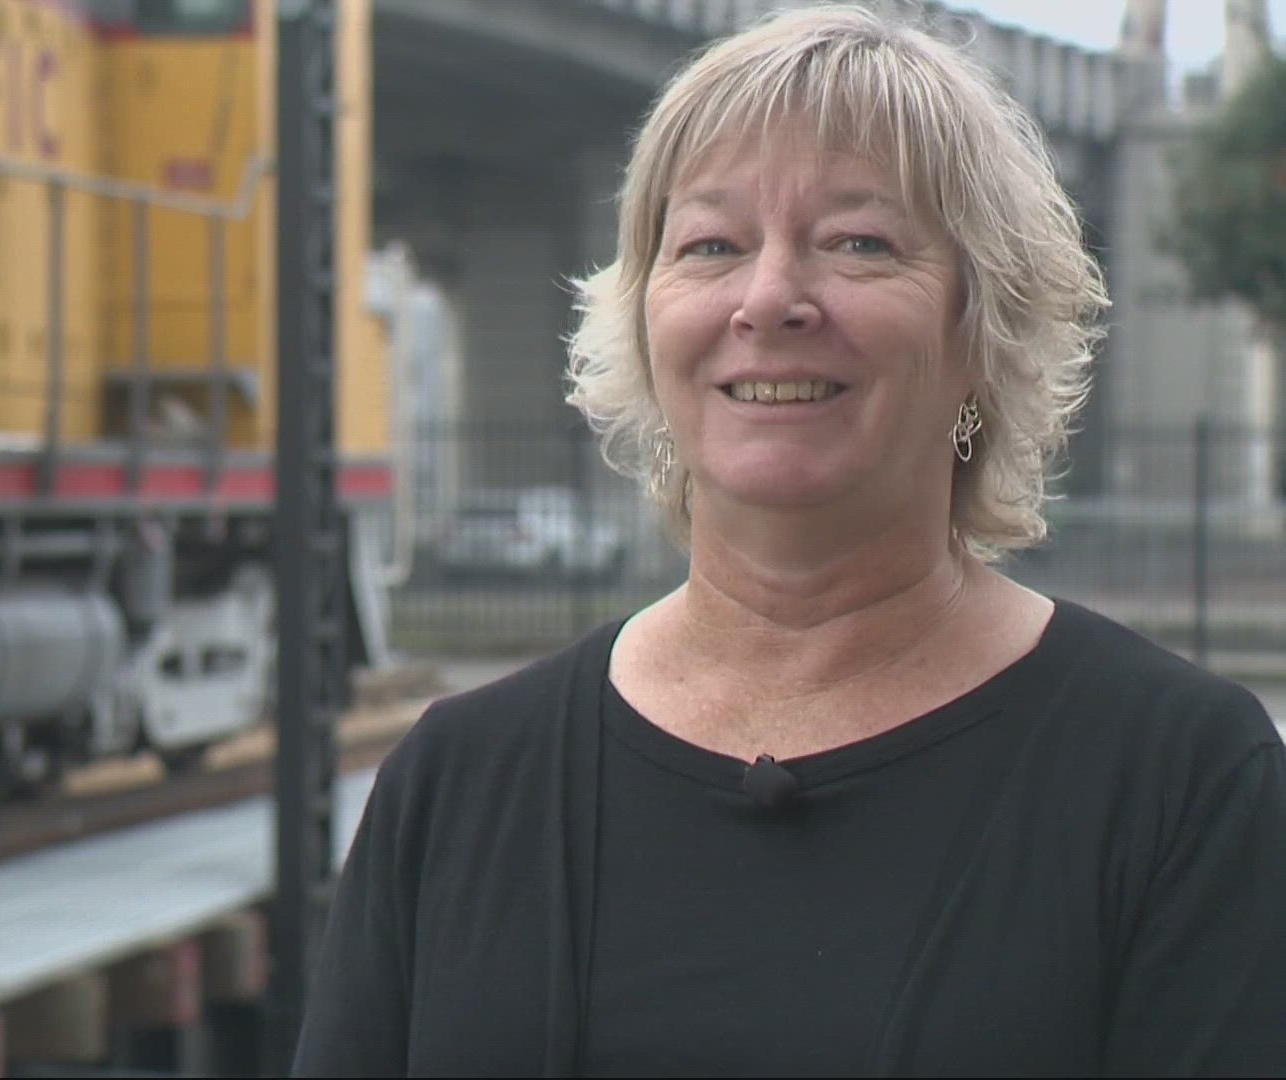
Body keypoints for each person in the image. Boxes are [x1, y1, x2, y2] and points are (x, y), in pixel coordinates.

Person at [290, 4, 1286, 1076]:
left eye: (859, 242)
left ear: (979, 332)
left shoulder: (1184, 784)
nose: (768, 299)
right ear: (642, 324)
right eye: (712, 244)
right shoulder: (455, 784)